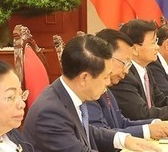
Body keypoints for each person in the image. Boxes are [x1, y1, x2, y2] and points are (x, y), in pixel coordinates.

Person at [24, 34, 158, 151]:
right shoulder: (50, 113)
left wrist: (125, 140)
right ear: (84, 78)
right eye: (105, 77)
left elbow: (86, 131)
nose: (107, 83)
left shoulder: (66, 94)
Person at [88, 29, 168, 141]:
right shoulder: (89, 90)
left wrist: (154, 123)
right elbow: (100, 134)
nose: (126, 71)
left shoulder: (107, 89)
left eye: (129, 64)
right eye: (125, 62)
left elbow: (121, 122)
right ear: (106, 58)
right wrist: (147, 131)